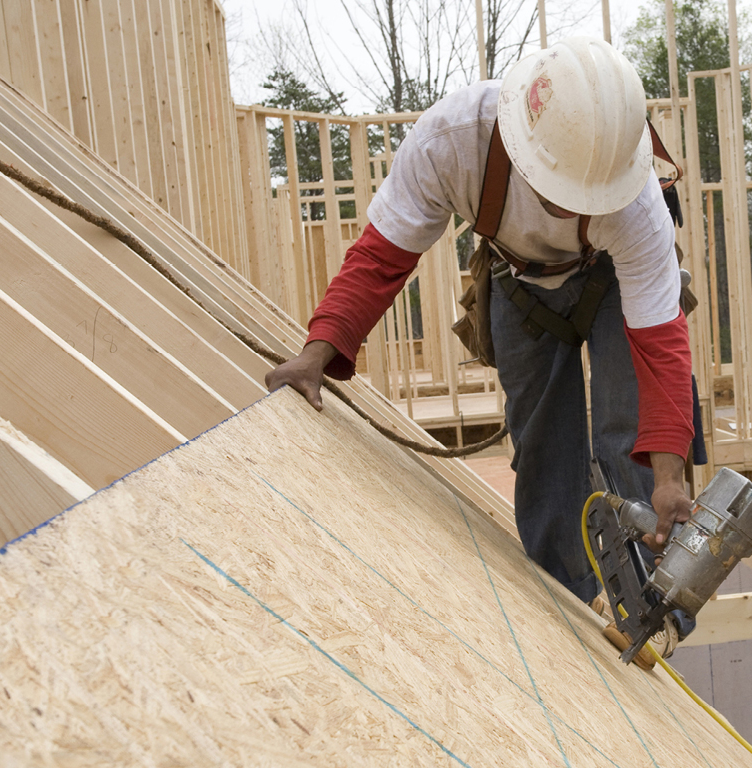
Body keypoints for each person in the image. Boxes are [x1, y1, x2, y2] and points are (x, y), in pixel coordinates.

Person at [265, 38, 695, 633]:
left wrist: (672, 477)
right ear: (524, 143)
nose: (568, 206)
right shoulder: (452, 141)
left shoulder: (636, 200)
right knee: (543, 442)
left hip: (612, 282)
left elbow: (660, 345)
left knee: (629, 435)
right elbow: (381, 258)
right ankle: (565, 610)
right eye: (559, 190)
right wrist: (318, 352)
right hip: (518, 281)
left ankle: (656, 611)